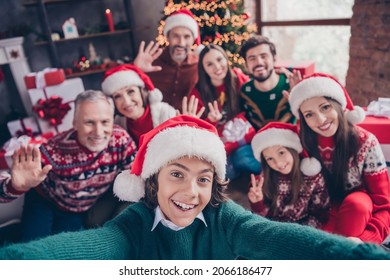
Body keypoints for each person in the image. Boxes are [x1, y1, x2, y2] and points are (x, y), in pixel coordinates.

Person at [0, 115, 389, 260]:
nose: (191, 192)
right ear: (151, 182)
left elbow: (271, 237)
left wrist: (353, 257)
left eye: (203, 179)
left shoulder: (224, 217)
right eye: (176, 174)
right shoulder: (132, 224)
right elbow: (86, 249)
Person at [0, 90, 137, 242]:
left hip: (77, 211)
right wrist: (16, 186)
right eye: (89, 122)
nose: (98, 132)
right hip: (43, 201)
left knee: (66, 250)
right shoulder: (55, 149)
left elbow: (135, 173)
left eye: (105, 122)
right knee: (32, 248)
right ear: (75, 123)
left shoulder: (120, 140)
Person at [288, 72, 390, 244]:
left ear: (338, 105)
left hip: (357, 214)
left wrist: (365, 241)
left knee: (358, 204)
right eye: (309, 114)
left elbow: (384, 206)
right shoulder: (301, 143)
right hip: (318, 214)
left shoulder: (365, 142)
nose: (320, 120)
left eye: (325, 107)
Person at [188, 43, 260, 180]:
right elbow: (197, 133)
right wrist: (211, 121)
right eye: (209, 64)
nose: (217, 67)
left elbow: (256, 89)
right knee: (226, 173)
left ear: (226, 59)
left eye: (219, 60)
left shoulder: (237, 78)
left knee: (243, 159)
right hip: (218, 146)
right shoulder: (197, 92)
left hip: (243, 140)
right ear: (203, 69)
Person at [248, 122, 329, 229]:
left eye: (281, 153)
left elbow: (321, 215)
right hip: (273, 230)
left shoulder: (313, 178)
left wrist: (297, 234)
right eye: (270, 158)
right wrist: (257, 203)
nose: (278, 163)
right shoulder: (263, 181)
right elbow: (263, 217)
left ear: (293, 149)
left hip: (303, 231)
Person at [133, 9, 200, 110]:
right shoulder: (151, 60)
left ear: (193, 39)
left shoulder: (199, 64)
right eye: (175, 36)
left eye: (187, 37)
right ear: (167, 37)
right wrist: (136, 71)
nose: (181, 43)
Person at [101, 64, 176, 145]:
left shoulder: (166, 114)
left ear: (142, 92)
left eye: (131, 92)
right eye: (118, 96)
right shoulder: (118, 125)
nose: (127, 102)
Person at [239, 35, 300, 130]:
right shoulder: (245, 92)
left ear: (274, 60)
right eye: (252, 58)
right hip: (258, 142)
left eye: (264, 56)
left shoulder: (291, 84)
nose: (258, 62)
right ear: (246, 66)